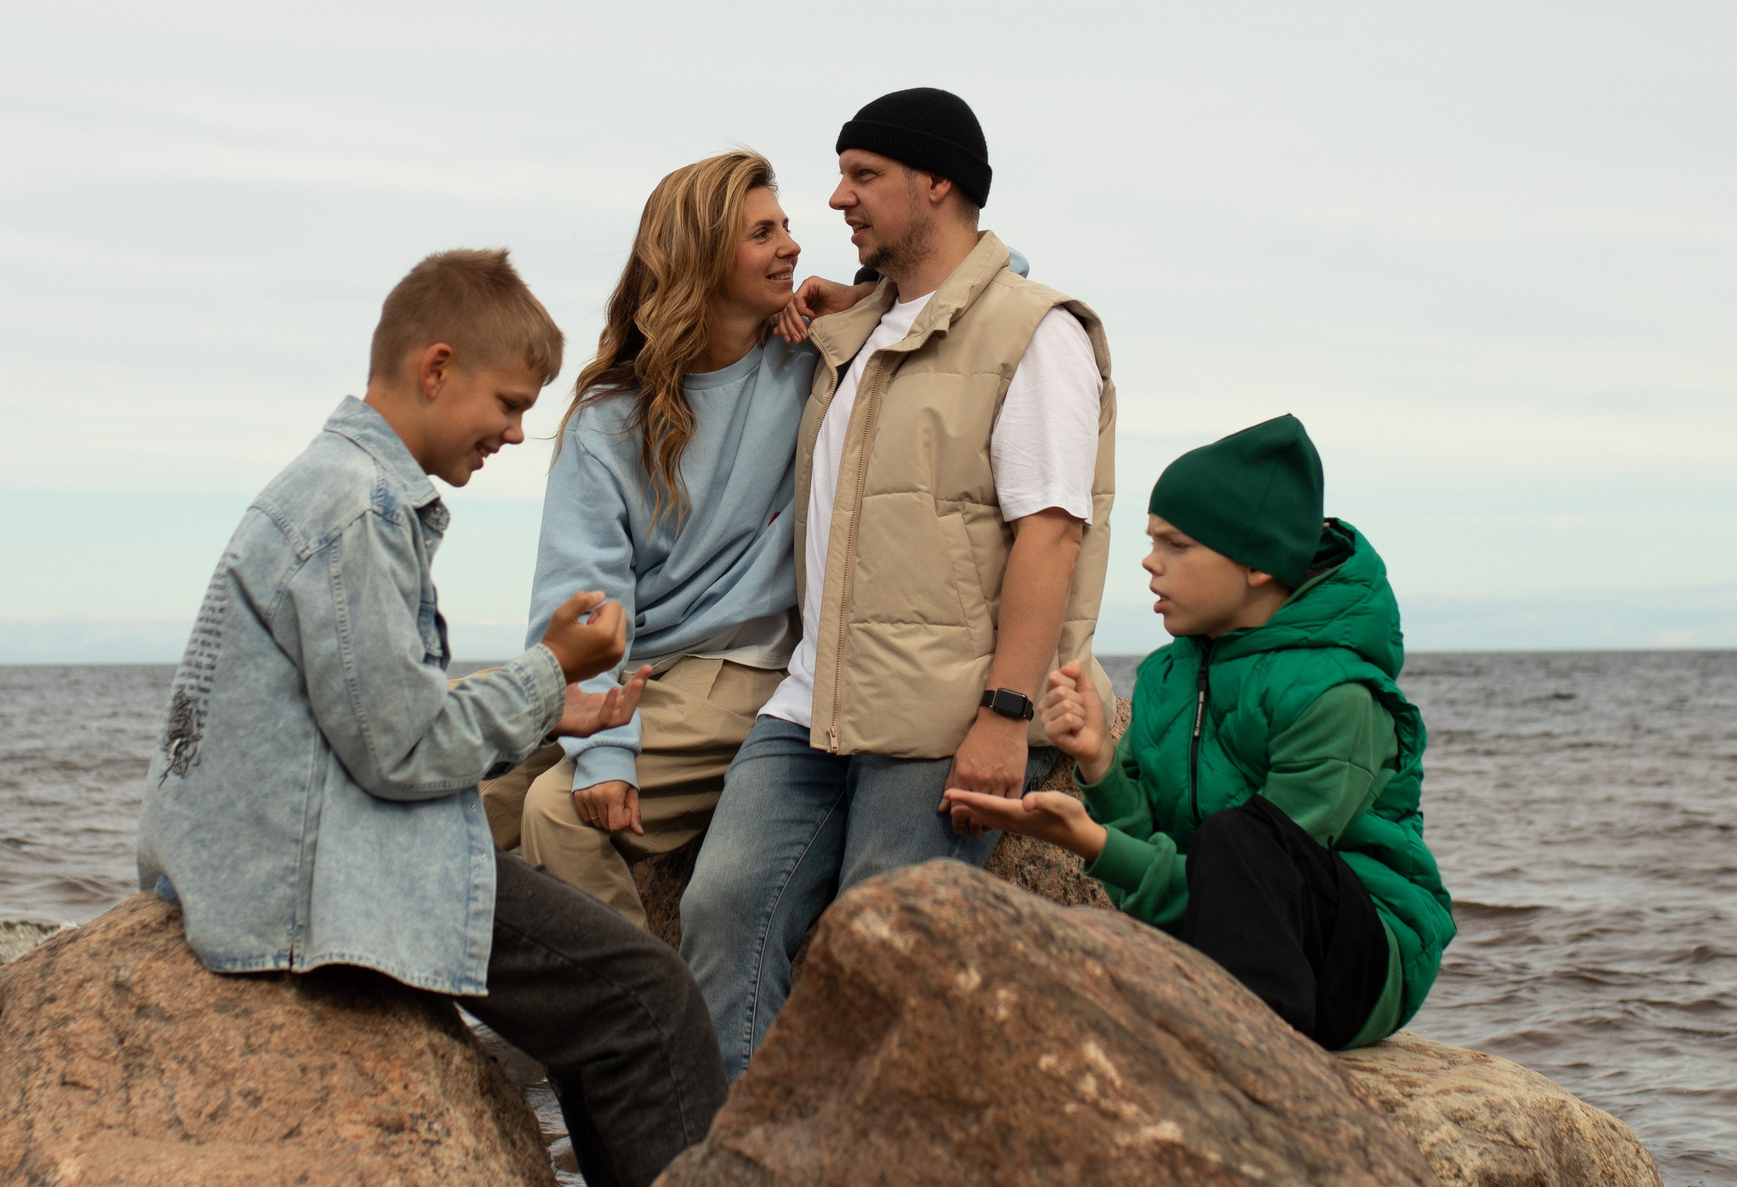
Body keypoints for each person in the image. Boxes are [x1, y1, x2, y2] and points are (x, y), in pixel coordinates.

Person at [134, 249, 725, 1187]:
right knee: (650, 1001)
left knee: (609, 1011)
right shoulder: (358, 508)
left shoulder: (332, 486)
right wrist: (549, 666)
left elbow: (372, 712)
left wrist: (553, 710)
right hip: (314, 882)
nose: (517, 431)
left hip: (287, 855)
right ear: (436, 367)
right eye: (509, 403)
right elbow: (402, 749)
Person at [679, 87, 1117, 1080]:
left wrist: (1006, 715)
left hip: (941, 715)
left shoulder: (1033, 332)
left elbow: (1048, 536)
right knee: (718, 913)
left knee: (878, 951)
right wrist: (847, 303)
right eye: (839, 175)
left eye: (862, 176)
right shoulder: (863, 324)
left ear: (939, 184)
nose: (836, 198)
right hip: (811, 702)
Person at [947, 414, 1456, 1051]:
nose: (1150, 562)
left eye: (1177, 545)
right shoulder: (1168, 675)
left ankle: (1258, 1065)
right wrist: (1100, 765)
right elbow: (1176, 881)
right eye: (1152, 539)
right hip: (1218, 941)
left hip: (1359, 962)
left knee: (1240, 835)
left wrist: (1095, 843)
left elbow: (1253, 887)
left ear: (1259, 564)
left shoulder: (1336, 697)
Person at [479, 151, 828, 931]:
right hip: (635, 663)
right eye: (762, 233)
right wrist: (606, 738)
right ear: (704, 259)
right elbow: (584, 593)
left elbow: (982, 275)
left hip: (739, 664)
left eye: (786, 227)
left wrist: (853, 295)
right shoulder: (611, 416)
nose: (792, 246)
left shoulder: (810, 357)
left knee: (561, 813)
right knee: (455, 801)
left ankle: (649, 1043)